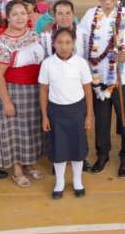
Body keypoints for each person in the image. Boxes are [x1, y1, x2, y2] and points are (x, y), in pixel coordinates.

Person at [76, 0, 125, 177]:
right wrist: (81, 69)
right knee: (102, 120)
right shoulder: (89, 15)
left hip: (123, 79)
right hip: (98, 79)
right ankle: (102, 155)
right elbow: (81, 43)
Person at [0, 0, 46, 188]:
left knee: (31, 129)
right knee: (14, 131)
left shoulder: (34, 35)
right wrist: (6, 101)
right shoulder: (2, 42)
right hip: (13, 91)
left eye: (23, 13)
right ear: (8, 17)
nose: (20, 17)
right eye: (15, 14)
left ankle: (29, 163)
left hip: (35, 91)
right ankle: (17, 170)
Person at [38, 28, 94, 199]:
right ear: (53, 44)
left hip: (77, 111)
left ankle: (77, 180)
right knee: (59, 148)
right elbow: (43, 90)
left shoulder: (80, 63)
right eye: (60, 42)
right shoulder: (47, 64)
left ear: (73, 44)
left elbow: (88, 90)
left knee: (78, 148)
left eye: (68, 42)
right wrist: (45, 116)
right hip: (56, 112)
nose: (64, 46)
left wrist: (89, 115)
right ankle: (60, 181)